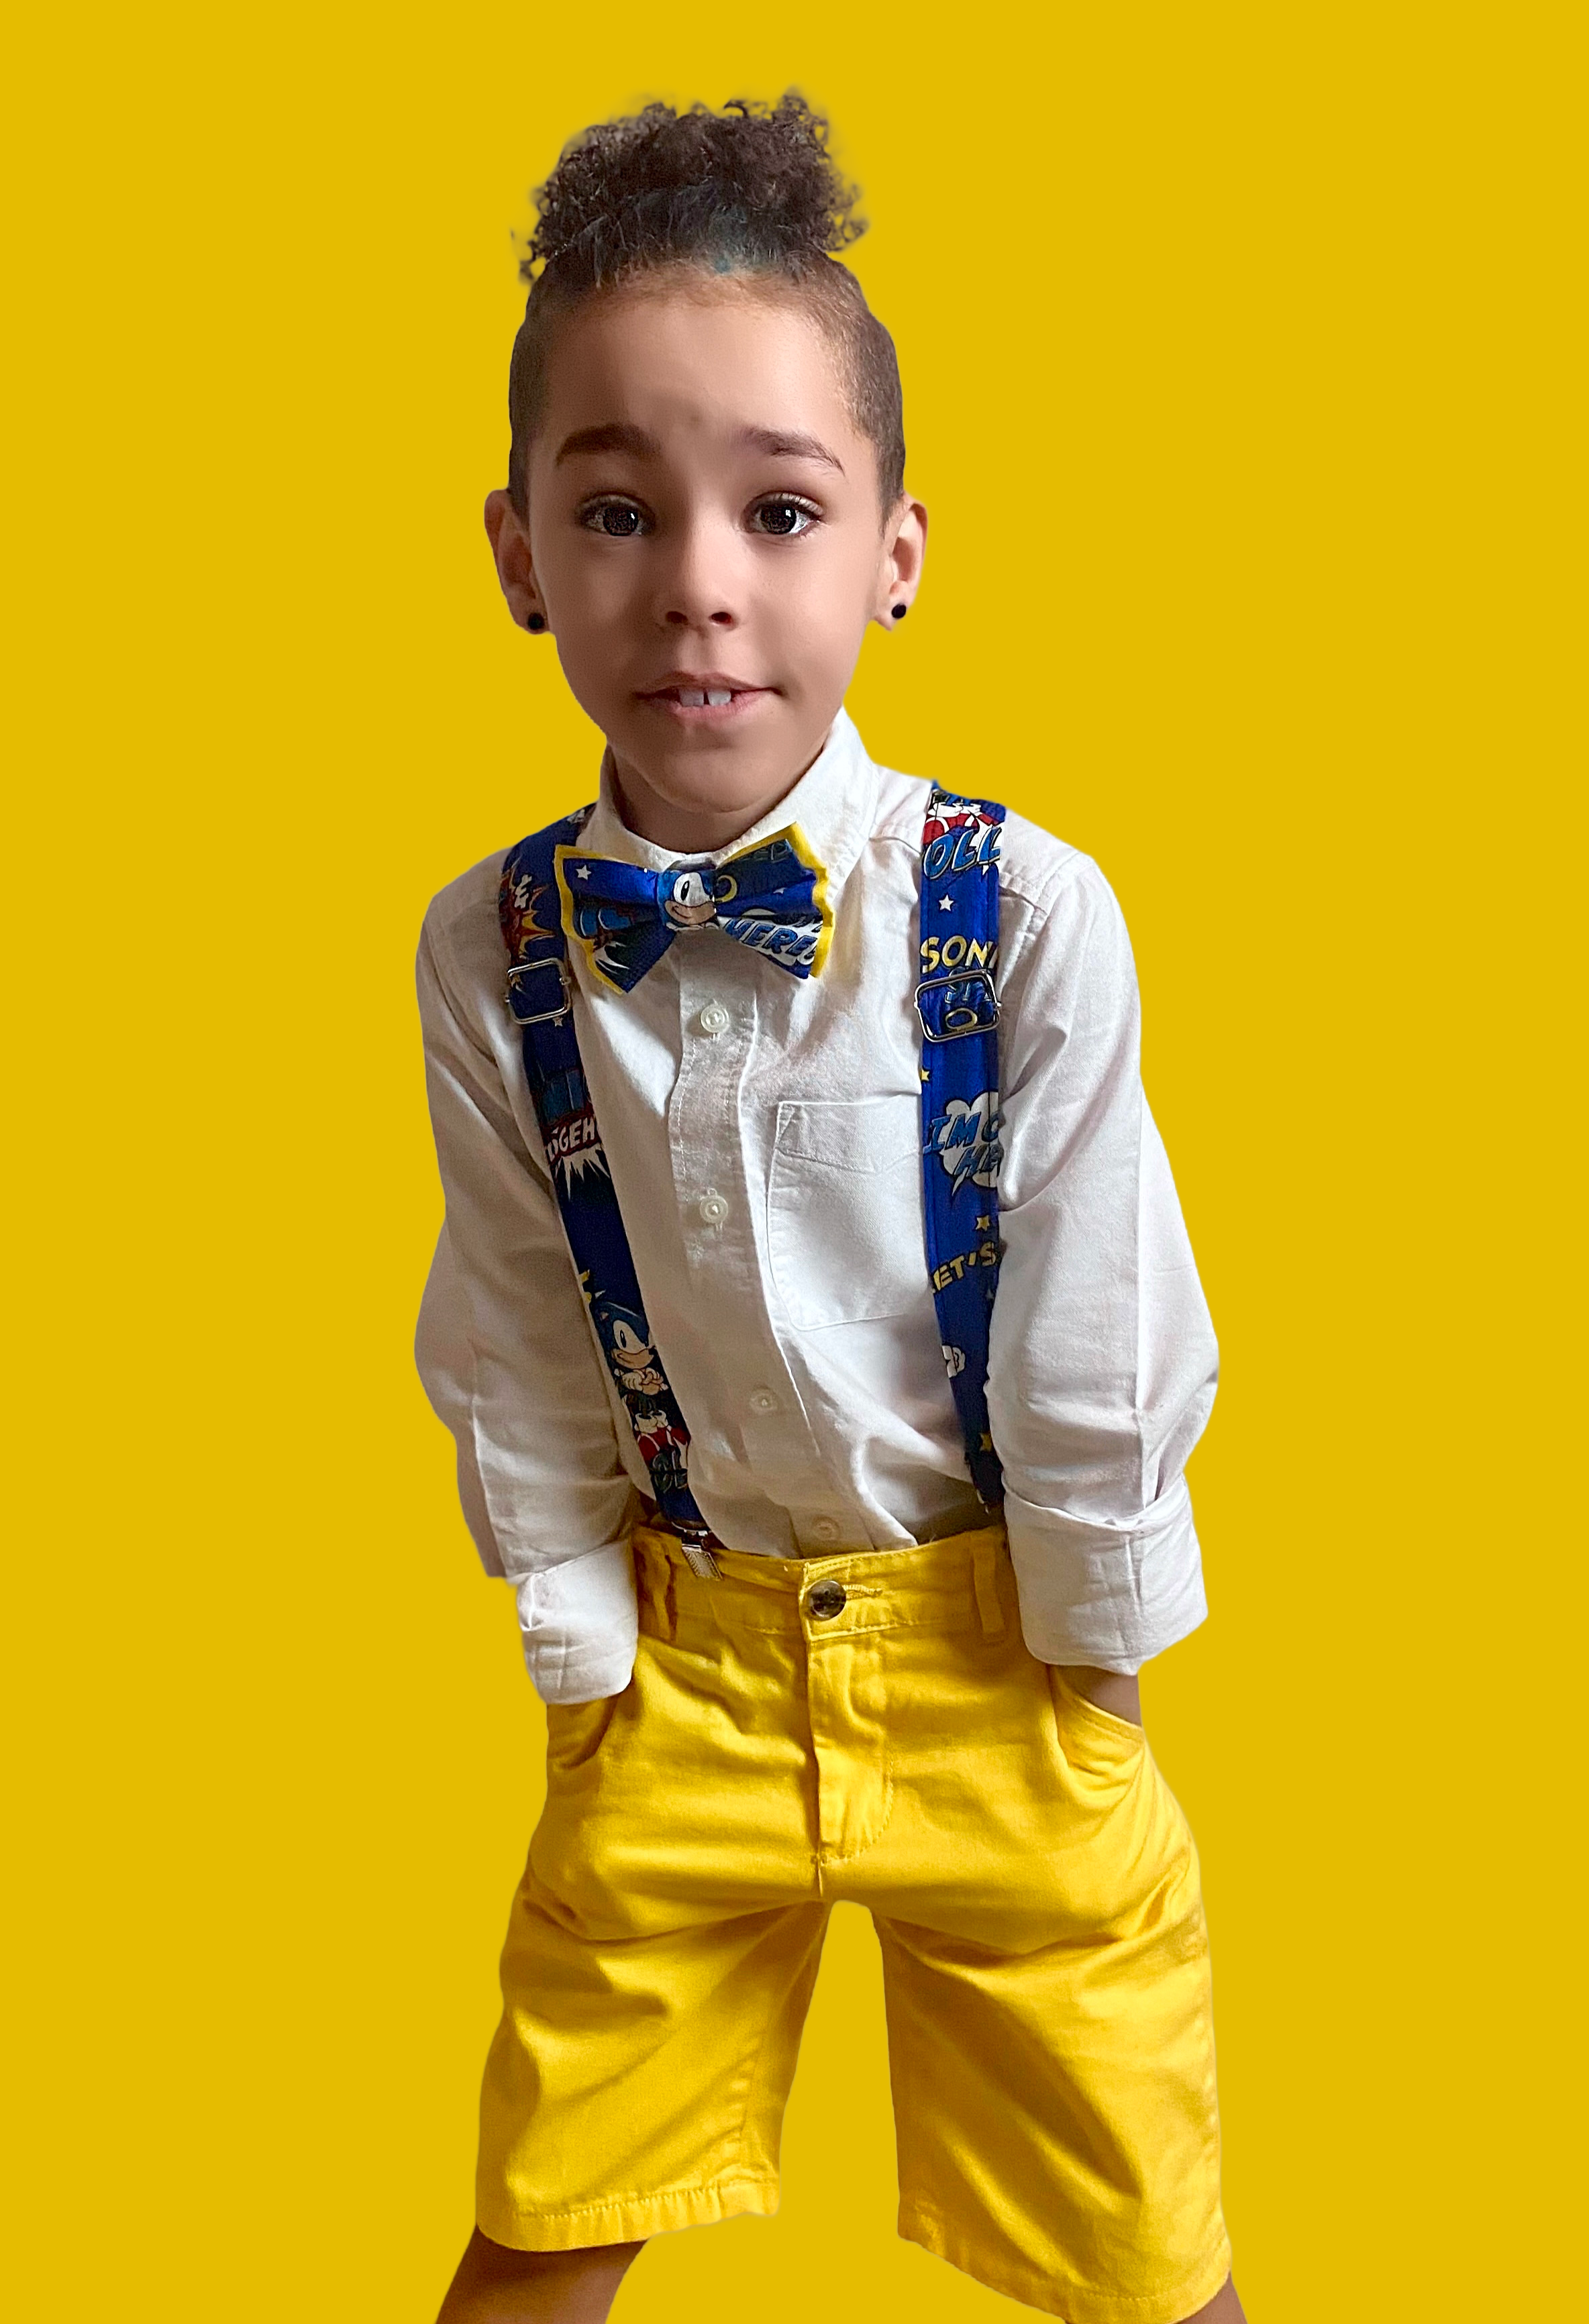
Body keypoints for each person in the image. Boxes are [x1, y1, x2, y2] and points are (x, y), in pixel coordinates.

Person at [415, 93, 1245, 2324]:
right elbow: (514, 1316)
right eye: (617, 510)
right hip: (680, 1669)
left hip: (1006, 1666)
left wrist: (1093, 1663)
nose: (698, 579)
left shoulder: (1024, 912)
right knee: (543, 2210)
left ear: (893, 550)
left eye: (779, 510)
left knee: (1147, 2242)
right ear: (519, 553)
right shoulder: (492, 948)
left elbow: (1100, 1323)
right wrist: (581, 1657)